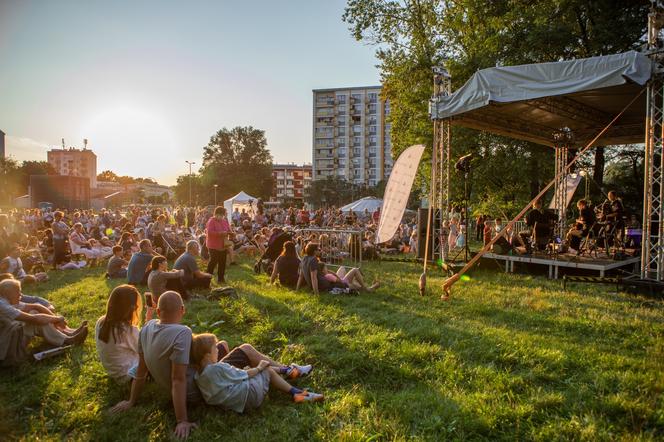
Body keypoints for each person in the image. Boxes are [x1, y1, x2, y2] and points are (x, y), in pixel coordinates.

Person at [110, 291, 199, 439]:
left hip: (173, 389)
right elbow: (178, 379)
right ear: (183, 310)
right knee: (225, 347)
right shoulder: (183, 332)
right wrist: (182, 420)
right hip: (193, 390)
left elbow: (141, 370)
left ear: (158, 311)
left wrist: (131, 401)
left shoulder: (146, 328)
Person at [191, 333, 323, 413]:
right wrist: (259, 367)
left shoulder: (199, 376)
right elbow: (245, 375)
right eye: (215, 348)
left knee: (255, 369)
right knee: (267, 370)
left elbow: (234, 377)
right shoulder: (218, 368)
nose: (218, 350)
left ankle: (289, 371)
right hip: (249, 397)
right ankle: (297, 393)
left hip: (233, 402)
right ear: (207, 355)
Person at [0, 279, 87, 365]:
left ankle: (67, 333)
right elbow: (35, 319)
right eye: (18, 291)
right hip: (5, 347)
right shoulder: (2, 304)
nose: (21, 295)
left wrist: (56, 319)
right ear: (7, 293)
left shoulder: (7, 300)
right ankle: (68, 339)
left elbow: (36, 306)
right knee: (35, 320)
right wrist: (58, 319)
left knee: (34, 313)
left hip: (9, 337)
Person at [95, 285, 143, 383]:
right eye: (135, 305)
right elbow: (145, 349)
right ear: (130, 307)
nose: (137, 307)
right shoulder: (127, 330)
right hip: (130, 375)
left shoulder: (101, 322)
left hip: (114, 372)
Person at [205, 206, 230, 284]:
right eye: (221, 215)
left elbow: (228, 229)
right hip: (213, 245)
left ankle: (221, 279)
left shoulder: (224, 221)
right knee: (213, 262)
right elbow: (209, 232)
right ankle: (207, 279)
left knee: (222, 262)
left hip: (223, 245)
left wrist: (231, 233)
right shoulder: (211, 221)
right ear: (216, 214)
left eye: (223, 215)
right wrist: (220, 233)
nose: (222, 217)